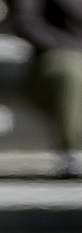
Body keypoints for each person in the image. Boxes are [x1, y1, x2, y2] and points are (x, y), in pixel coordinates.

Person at [16, 0, 82, 178]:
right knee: (71, 75)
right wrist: (68, 46)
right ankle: (73, 151)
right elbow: (26, 22)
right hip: (56, 57)